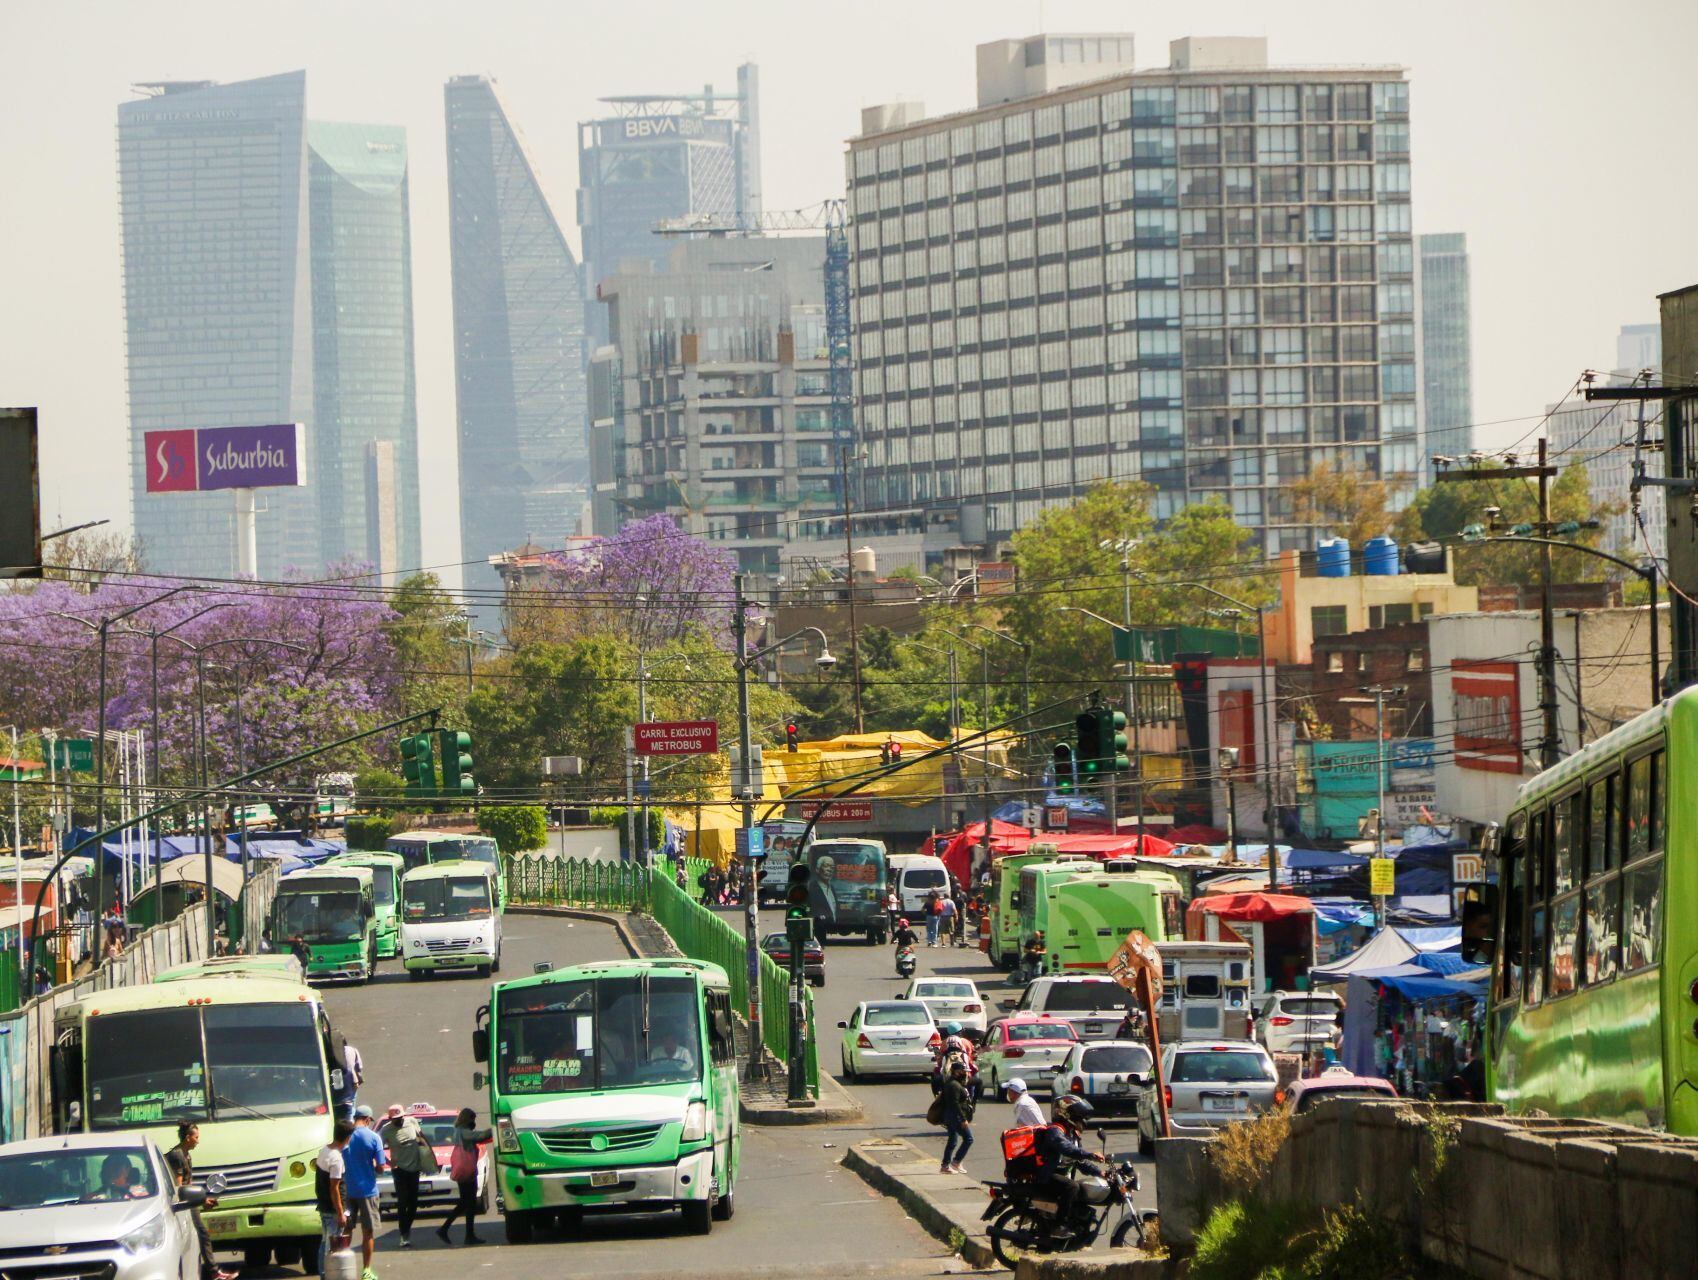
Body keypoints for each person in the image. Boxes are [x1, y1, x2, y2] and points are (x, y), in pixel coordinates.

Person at [165, 1122, 234, 1280]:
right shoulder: (177, 1155)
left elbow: (187, 1185)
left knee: (200, 1235)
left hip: (188, 1200)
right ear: (188, 1138)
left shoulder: (186, 1154)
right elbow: (179, 1188)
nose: (198, 1141)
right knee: (202, 1234)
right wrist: (199, 1201)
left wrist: (203, 1199)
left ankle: (212, 1270)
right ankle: (214, 1272)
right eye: (196, 1137)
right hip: (181, 1203)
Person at [1035, 1096, 1104, 1225]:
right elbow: (1067, 1149)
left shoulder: (1072, 1134)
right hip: (1047, 1175)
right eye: (1079, 1116)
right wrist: (1089, 1154)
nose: (1082, 1121)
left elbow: (1079, 1161)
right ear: (1066, 1114)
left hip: (1060, 1175)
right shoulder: (1055, 1131)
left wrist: (1100, 1173)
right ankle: (1059, 1225)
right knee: (1072, 1187)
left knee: (1083, 1188)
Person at [342, 1106, 387, 1280]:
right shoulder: (374, 1137)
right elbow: (381, 1167)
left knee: (346, 1229)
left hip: (348, 1190)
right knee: (368, 1232)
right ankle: (366, 1270)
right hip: (368, 1190)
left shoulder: (345, 1137)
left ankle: (344, 1266)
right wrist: (374, 1167)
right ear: (368, 1119)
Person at [382, 1105, 437, 1248]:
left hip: (414, 1168)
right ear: (390, 1119)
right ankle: (403, 1233)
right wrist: (388, 1162)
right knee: (402, 1202)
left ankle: (406, 1228)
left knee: (413, 1203)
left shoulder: (411, 1122)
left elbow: (422, 1139)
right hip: (399, 1169)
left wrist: (430, 1158)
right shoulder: (386, 1130)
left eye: (400, 1118)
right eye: (395, 1120)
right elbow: (377, 1148)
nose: (399, 1121)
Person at [437, 1108, 492, 1246]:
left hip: (464, 1171)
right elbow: (480, 1136)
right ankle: (448, 1230)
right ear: (468, 1120)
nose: (474, 1122)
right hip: (466, 1172)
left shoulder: (458, 1131)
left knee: (468, 1203)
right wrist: (496, 1127)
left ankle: (467, 1234)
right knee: (467, 1203)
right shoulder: (464, 1132)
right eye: (473, 1119)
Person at [315, 1119, 355, 1276]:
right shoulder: (336, 1158)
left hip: (324, 1206)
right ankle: (328, 1274)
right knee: (332, 1248)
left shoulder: (324, 1150)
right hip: (332, 1210)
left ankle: (324, 1274)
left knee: (325, 1244)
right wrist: (340, 1212)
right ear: (347, 1137)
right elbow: (334, 1188)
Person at [939, 1058, 976, 1174]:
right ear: (956, 1071)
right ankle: (956, 1161)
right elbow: (954, 1103)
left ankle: (945, 1166)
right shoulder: (953, 1085)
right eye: (963, 1071)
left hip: (951, 1116)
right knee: (968, 1139)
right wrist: (963, 1119)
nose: (966, 1073)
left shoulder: (954, 1083)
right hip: (955, 1117)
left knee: (952, 1141)